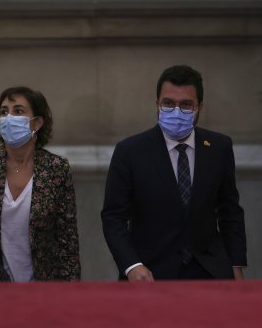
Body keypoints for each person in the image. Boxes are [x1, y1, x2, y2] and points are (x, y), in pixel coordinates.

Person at [101, 65, 247, 281]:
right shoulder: (130, 151)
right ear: (157, 105)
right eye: (168, 103)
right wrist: (132, 265)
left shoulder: (219, 147)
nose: (176, 111)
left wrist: (236, 264)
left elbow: (230, 211)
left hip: (210, 271)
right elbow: (113, 216)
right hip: (149, 273)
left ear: (199, 107)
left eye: (186, 104)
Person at [0, 86, 81, 282]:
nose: (9, 118)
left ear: (37, 123)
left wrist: (71, 292)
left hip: (42, 289)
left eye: (18, 111)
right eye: (4, 112)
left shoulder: (56, 169)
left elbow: (67, 239)